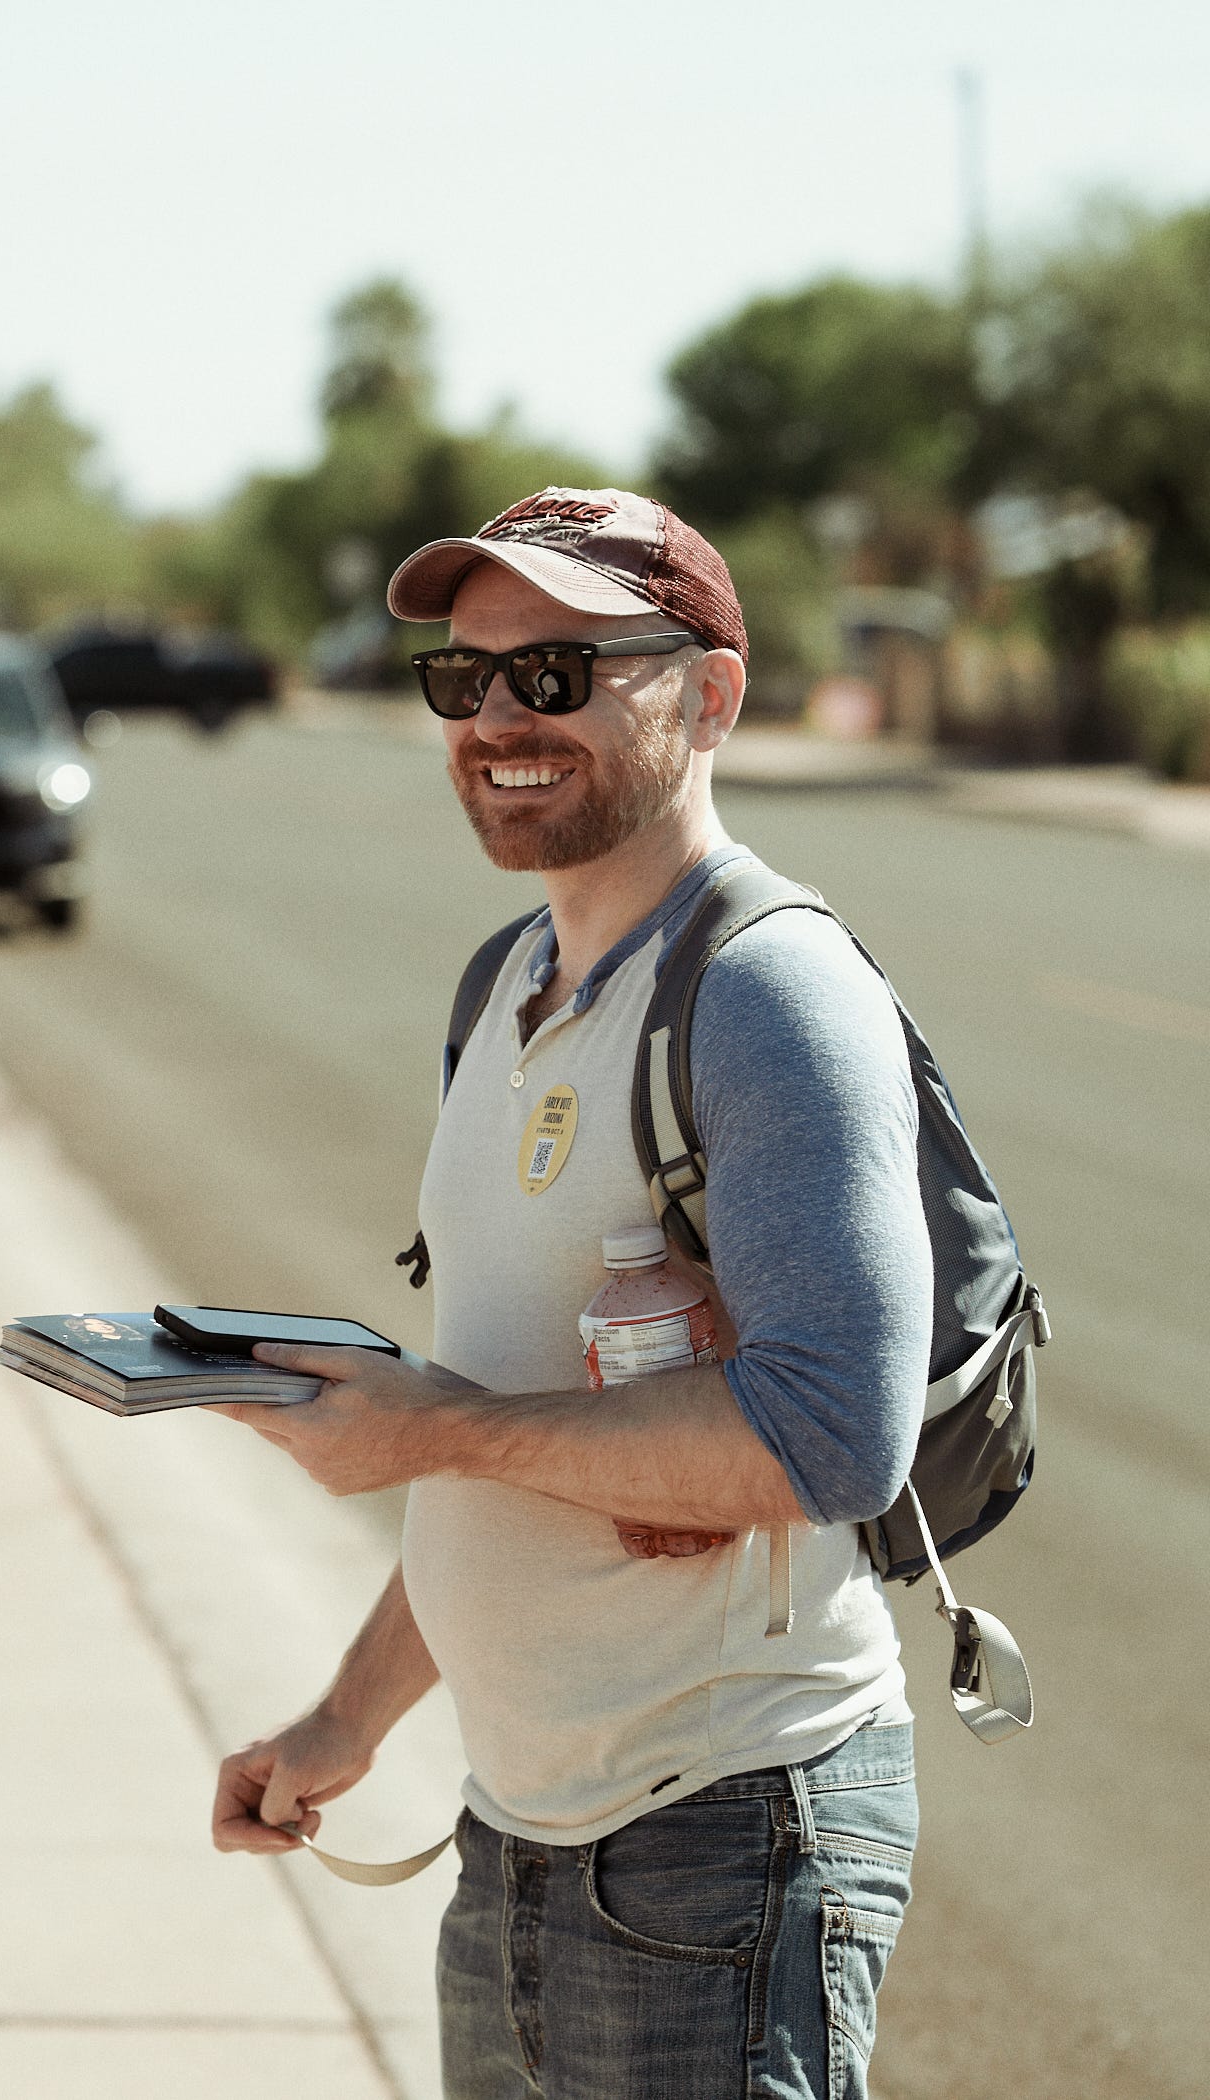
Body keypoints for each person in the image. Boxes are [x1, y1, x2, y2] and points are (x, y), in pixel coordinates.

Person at [211, 490, 928, 2098]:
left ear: (713, 695)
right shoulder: (503, 986)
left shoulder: (768, 994)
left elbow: (832, 1443)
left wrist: (436, 1435)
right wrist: (347, 1720)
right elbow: (508, 1418)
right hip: (518, 1837)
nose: (500, 720)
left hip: (726, 1837)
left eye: (560, 673)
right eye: (463, 681)